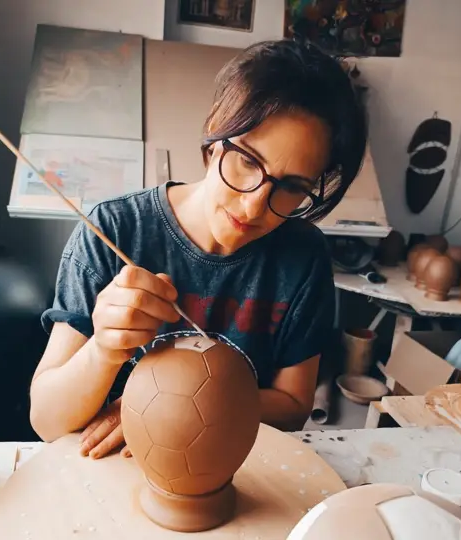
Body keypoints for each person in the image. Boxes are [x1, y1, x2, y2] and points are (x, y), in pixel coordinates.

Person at [28, 39, 368, 460]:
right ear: (216, 131)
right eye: (247, 160)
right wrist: (103, 349)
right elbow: (46, 420)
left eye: (293, 186)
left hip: (230, 466)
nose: (254, 204)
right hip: (110, 472)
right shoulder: (114, 231)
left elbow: (294, 406)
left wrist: (171, 408)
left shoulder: (303, 257)